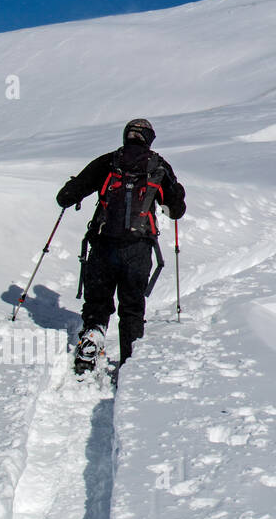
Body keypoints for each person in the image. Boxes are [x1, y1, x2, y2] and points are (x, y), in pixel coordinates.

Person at [56, 119, 186, 371]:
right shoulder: (159, 166)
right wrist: (177, 194)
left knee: (97, 303)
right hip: (138, 248)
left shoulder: (108, 161)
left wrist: (70, 190)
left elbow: (66, 197)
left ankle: (93, 336)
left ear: (127, 135)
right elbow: (176, 211)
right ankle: (130, 363)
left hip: (104, 244)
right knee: (132, 308)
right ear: (149, 138)